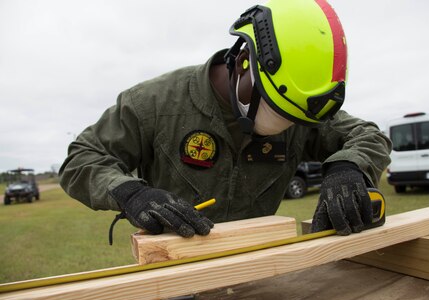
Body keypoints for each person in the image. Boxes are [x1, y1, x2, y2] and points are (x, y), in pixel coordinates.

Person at [59, 0, 391, 243]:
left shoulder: (302, 112)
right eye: (274, 107)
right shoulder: (155, 103)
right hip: (174, 275)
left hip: (261, 270)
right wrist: (129, 193)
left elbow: (368, 136)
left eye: (290, 118)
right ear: (245, 61)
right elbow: (82, 158)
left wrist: (349, 167)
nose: (279, 125)